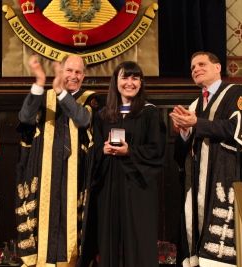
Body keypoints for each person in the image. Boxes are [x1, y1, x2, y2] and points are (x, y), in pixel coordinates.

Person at [169, 51, 242, 267]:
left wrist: (196, 123)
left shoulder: (237, 93)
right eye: (192, 68)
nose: (195, 69)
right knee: (194, 233)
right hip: (197, 182)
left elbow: (236, 128)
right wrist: (183, 132)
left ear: (218, 67)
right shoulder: (193, 105)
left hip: (225, 176)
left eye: (201, 64)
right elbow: (180, 156)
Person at [15, 54, 98, 266]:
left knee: (70, 230)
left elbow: (82, 119)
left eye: (78, 72)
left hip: (74, 178)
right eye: (68, 70)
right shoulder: (44, 96)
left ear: (84, 75)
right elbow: (24, 117)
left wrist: (61, 92)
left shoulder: (90, 99)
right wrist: (40, 83)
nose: (73, 76)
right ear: (60, 71)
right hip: (43, 173)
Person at [92, 61, 164, 267]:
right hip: (109, 187)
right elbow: (93, 151)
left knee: (139, 238)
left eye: (135, 78)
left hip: (138, 187)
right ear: (116, 82)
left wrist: (130, 150)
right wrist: (102, 150)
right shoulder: (103, 116)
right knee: (110, 239)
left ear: (141, 83)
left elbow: (157, 150)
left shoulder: (149, 113)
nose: (130, 83)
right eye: (125, 77)